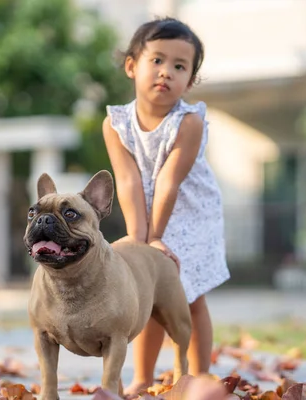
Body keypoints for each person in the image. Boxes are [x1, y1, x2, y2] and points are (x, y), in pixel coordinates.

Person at [102, 16, 230, 396]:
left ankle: (197, 377)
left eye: (179, 66)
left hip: (192, 213)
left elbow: (168, 182)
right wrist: (140, 241)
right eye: (156, 60)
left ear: (189, 81)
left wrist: (155, 238)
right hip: (146, 212)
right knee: (151, 299)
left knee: (189, 298)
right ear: (131, 66)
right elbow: (127, 181)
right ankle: (142, 377)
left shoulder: (188, 122)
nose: (166, 72)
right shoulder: (115, 124)